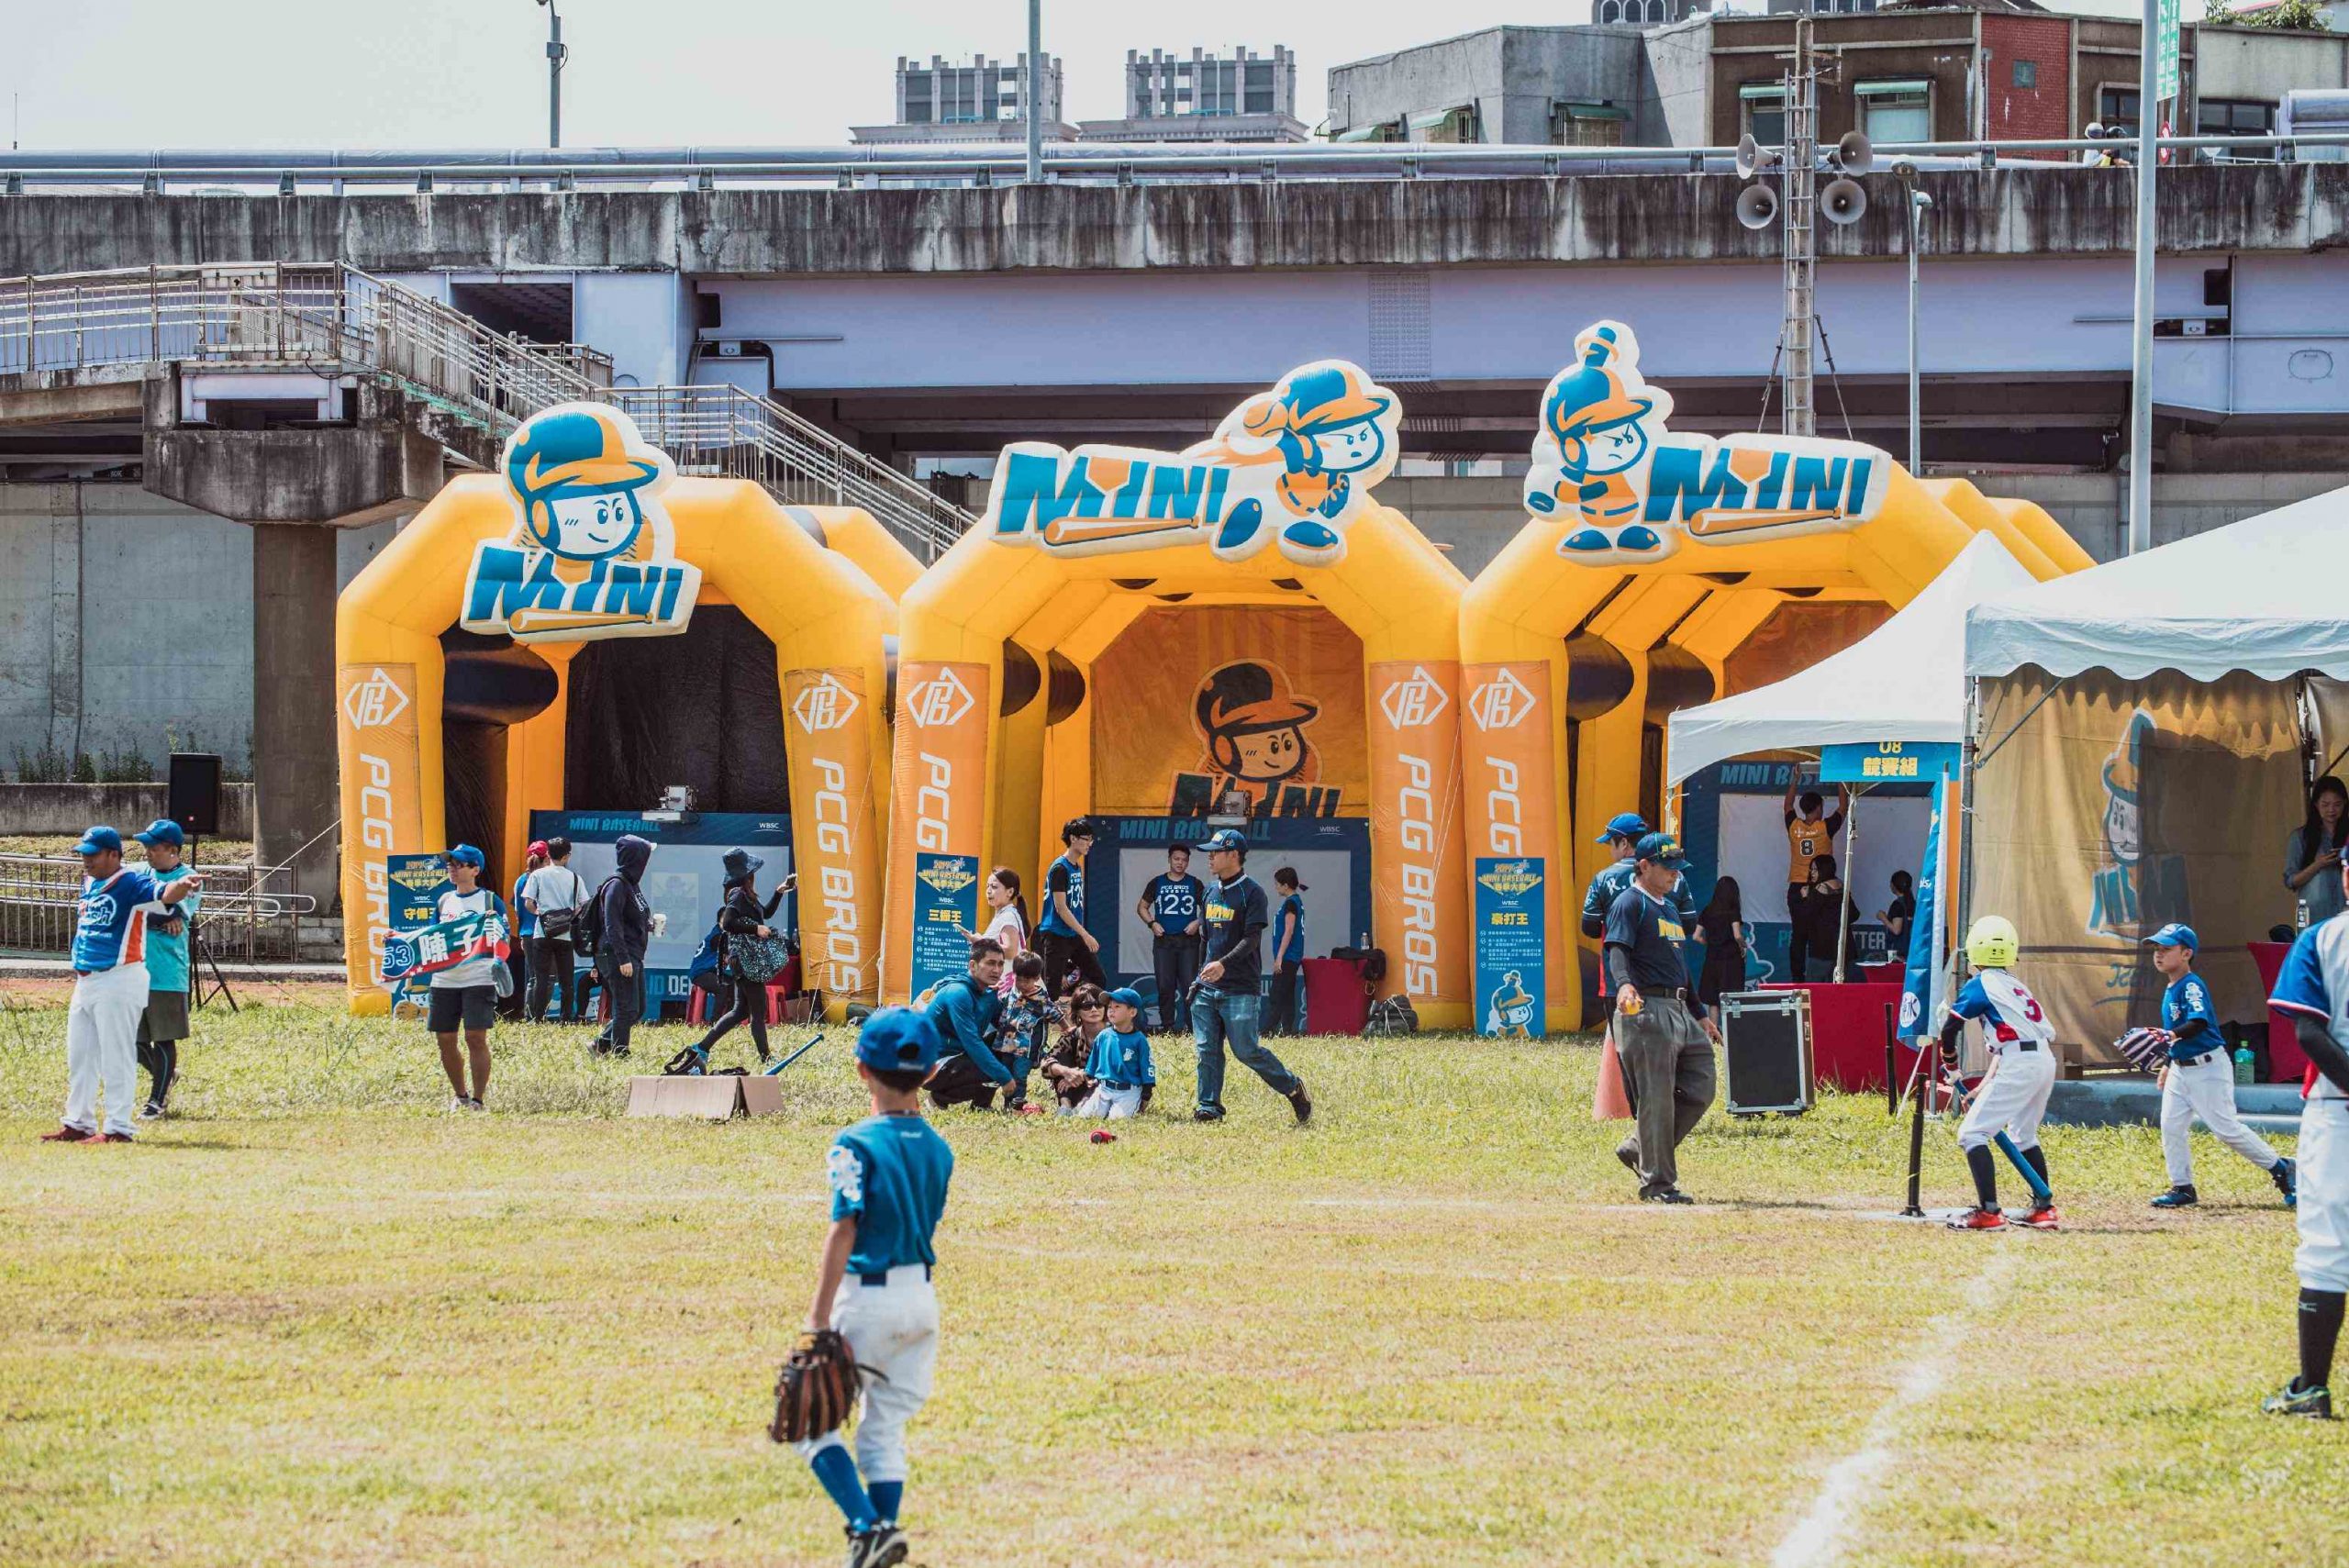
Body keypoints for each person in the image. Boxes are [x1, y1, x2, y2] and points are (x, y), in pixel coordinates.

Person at [794, 1006, 953, 1568]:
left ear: (861, 1068)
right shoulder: (939, 1147)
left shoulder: (855, 1142)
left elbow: (845, 1228)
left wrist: (817, 1319)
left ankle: (866, 1526)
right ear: (930, 1073)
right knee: (883, 1429)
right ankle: (879, 1542)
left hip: (868, 1299)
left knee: (811, 1428)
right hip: (921, 1300)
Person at [39, 825, 200, 1145]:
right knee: (80, 1056)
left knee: (117, 1055)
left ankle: (118, 1127)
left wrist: (181, 886)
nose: (86, 860)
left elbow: (163, 893)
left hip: (119, 977)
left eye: (93, 855)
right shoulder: (90, 881)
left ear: (114, 855)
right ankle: (78, 1122)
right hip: (87, 979)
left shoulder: (130, 881)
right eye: (83, 855)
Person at [2265, 847, 2349, 1418]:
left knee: (2327, 1247)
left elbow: (2310, 1035)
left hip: (2338, 1107)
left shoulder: (2323, 938)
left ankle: (2311, 1388)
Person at [2141, 923, 2296, 1210]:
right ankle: (2183, 1188)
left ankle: (2281, 1168)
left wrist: (2170, 1036)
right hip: (2181, 1068)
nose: (2159, 954)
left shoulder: (2191, 985)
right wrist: (2168, 1062)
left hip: (2207, 1067)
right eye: (2157, 949)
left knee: (2226, 1129)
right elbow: (2177, 1030)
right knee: (2171, 1126)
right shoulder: (2172, 986)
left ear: (2186, 953)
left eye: (2167, 949)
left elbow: (2198, 1022)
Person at [1606, 832, 1720, 1203]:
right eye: (1667, 867)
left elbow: (1680, 965)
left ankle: (1640, 1146)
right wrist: (1624, 985)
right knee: (1656, 1098)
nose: (1675, 874)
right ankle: (1658, 1184)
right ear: (1644, 866)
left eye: (1677, 868)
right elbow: (1617, 949)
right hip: (1647, 1007)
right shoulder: (1629, 903)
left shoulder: (1669, 908)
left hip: (1679, 1008)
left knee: (1702, 1084)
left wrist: (1699, 1012)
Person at [1938, 915, 2060, 1232]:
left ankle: (1989, 1212)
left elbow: (1949, 1030)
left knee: (1972, 1134)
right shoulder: (2015, 986)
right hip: (2042, 1059)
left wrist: (1952, 1066)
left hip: (2020, 1063)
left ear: (1974, 948)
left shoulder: (1980, 984)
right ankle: (2043, 1209)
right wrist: (1982, 1087)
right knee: (2023, 1136)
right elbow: (2010, 1045)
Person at [1191, 827, 1312, 1125]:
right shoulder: (1209, 891)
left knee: (1246, 1050)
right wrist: (1199, 977)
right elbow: (1205, 939)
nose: (1210, 857)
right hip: (1207, 987)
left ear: (1234, 855)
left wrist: (1223, 964)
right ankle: (1208, 1107)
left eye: (1216, 852)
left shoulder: (1252, 893)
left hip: (1240, 987)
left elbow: (1252, 939)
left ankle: (1292, 1087)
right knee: (1206, 1049)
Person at [674, 849, 790, 1073]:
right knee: (758, 1011)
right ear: (746, 874)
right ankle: (766, 1058)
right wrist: (755, 929)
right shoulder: (737, 894)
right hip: (746, 959)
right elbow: (727, 923)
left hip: (743, 959)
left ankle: (702, 1047)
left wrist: (779, 891)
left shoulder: (746, 895)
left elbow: (765, 913)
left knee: (740, 1011)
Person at [1582, 811, 1697, 1012]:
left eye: (1611, 844)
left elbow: (1589, 927)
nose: (1611, 851)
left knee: (1624, 1030)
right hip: (1666, 980)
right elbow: (1688, 925)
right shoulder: (1676, 877)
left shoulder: (1604, 878)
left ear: (1623, 843)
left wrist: (1622, 931)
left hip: (1619, 981)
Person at [428, 844, 506, 1112]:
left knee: (475, 1037)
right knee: (445, 1040)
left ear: (475, 870)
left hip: (478, 978)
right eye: (450, 863)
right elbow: (429, 936)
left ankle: (478, 1100)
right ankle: (460, 1095)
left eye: (459, 864)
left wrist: (495, 930)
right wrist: (398, 939)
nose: (452, 868)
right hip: (444, 980)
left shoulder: (490, 901)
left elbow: (503, 937)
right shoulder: (443, 901)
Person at [131, 819, 198, 1119]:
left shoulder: (189, 878)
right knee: (131, 1039)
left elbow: (173, 911)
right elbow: (131, 906)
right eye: (146, 846)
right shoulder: (138, 872)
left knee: (163, 1037)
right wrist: (155, 910)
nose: (147, 852)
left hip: (167, 970)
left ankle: (156, 1101)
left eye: (153, 847)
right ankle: (167, 1074)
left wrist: (147, 909)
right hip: (134, 968)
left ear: (172, 849)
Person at [921, 936, 1015, 1111]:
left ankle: (981, 1106)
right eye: (990, 963)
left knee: (1006, 1042)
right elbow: (972, 1042)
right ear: (973, 965)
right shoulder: (959, 993)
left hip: (957, 1057)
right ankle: (938, 1099)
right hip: (929, 1065)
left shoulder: (987, 994)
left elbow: (1005, 1026)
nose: (997, 970)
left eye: (1000, 964)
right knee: (991, 1070)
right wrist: (1004, 1076)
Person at [591, 834, 656, 1059]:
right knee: (626, 1007)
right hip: (618, 954)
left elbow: (631, 917)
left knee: (637, 1009)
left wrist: (649, 925)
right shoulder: (616, 885)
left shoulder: (632, 885)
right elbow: (612, 923)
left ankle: (601, 1043)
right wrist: (622, 958)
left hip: (634, 953)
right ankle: (620, 1053)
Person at [1783, 782, 1850, 986]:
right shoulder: (1825, 827)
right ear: (1819, 807)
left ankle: (1797, 979)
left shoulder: (1794, 826)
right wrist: (1841, 780)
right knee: (1820, 932)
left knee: (1798, 934)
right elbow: (1843, 807)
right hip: (1820, 888)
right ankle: (1820, 978)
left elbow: (1787, 806)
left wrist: (1794, 781)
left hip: (1797, 886)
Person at [1033, 818, 1108, 996]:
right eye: (1086, 839)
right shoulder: (1060, 868)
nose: (1090, 844)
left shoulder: (1076, 866)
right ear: (1073, 838)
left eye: (1091, 839)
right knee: (1052, 988)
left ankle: (1083, 1009)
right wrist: (1085, 934)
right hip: (1056, 934)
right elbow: (1061, 908)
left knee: (1098, 978)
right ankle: (1048, 1015)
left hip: (1072, 934)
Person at [1136, 844, 1206, 1032]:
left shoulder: (1195, 883)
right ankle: (1167, 1027)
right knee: (1165, 986)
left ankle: (1192, 1028)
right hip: (1164, 942)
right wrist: (1152, 923)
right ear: (1169, 859)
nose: (1180, 863)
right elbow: (1142, 907)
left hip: (1188, 942)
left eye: (1184, 860)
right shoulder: (1157, 882)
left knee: (1190, 986)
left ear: (1188, 862)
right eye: (1176, 859)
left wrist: (1198, 922)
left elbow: (1209, 908)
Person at [521, 835, 588, 1023]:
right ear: (567, 856)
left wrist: (540, 914)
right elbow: (583, 904)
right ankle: (565, 1018)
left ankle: (538, 1017)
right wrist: (569, 917)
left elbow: (528, 903)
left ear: (548, 854)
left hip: (542, 932)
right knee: (567, 980)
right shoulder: (575, 878)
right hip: (565, 935)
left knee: (541, 977)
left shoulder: (537, 875)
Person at [1079, 987, 1156, 1119]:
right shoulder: (1103, 1036)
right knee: (1084, 1117)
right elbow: (1093, 1063)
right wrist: (1089, 1078)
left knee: (1116, 1119)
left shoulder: (1139, 1040)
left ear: (1132, 1012)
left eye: (1117, 1006)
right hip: (1104, 1089)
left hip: (1128, 1091)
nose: (1111, 1010)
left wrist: (1146, 1094)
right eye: (1109, 1007)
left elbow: (1147, 1066)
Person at [2286, 775, 2349, 929]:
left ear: (2345, 804)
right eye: (2325, 804)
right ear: (2316, 804)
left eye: (2337, 804)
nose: (2331, 810)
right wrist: (2317, 865)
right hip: (2314, 919)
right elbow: (2291, 881)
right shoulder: (2301, 837)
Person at [995, 951, 1053, 1111]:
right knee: (1007, 1073)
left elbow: (1055, 1013)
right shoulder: (1011, 993)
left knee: (1020, 1075)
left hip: (1026, 1047)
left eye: (1026, 981)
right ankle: (1007, 1104)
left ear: (1037, 978)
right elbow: (1001, 1004)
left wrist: (1067, 1027)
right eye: (1018, 979)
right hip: (1008, 1043)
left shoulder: (1041, 998)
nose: (1021, 984)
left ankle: (1018, 1104)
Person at [1039, 984, 1109, 1112]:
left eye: (1099, 1005)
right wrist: (1066, 1072)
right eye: (1087, 1006)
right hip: (1077, 1087)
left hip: (1107, 1087)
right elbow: (1045, 1065)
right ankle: (1065, 1107)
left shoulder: (1116, 1035)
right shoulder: (1073, 1035)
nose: (1094, 1009)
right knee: (1061, 1060)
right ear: (1077, 1011)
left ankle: (1081, 1107)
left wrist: (1081, 1075)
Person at [961, 866, 1029, 997]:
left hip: (1005, 986)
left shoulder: (1008, 916)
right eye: (987, 886)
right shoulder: (1004, 914)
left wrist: (980, 941)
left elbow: (1010, 951)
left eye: (994, 887)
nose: (988, 891)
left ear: (1010, 892)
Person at [1797, 854, 1864, 981]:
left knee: (1816, 988)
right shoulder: (1842, 887)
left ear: (1824, 870)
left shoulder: (1819, 889)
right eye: (1811, 869)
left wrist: (1805, 897)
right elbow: (1854, 914)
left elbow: (1806, 916)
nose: (1812, 873)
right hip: (1844, 947)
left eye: (1815, 869)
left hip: (1822, 949)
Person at [1691, 874, 1747, 1011]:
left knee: (1713, 1000)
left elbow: (1696, 936)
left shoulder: (1707, 910)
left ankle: (1713, 1025)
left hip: (1712, 958)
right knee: (1732, 997)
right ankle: (1731, 1024)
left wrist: (1709, 943)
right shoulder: (1733, 911)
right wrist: (1743, 945)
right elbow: (1737, 935)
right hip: (1731, 959)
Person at [503, 841, 546, 1021]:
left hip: (526, 933)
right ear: (547, 859)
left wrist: (521, 932)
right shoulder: (543, 880)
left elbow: (516, 909)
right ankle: (535, 1016)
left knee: (531, 977)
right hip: (543, 932)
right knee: (542, 977)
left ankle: (529, 1015)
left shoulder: (520, 881)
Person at [1268, 867, 1308, 1037]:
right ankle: (1287, 1030)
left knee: (1277, 994)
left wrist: (1279, 957)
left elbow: (1289, 930)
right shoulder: (1294, 901)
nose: (1276, 887)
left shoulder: (1291, 903)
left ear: (1285, 886)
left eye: (1277, 884)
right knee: (1287, 994)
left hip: (1288, 956)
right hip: (1291, 956)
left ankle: (1268, 1030)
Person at [1877, 870, 1917, 954]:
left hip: (1897, 952)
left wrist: (1883, 918)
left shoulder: (1897, 905)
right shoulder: (1914, 904)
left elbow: (1896, 930)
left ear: (1893, 886)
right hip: (1913, 950)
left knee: (1895, 963)